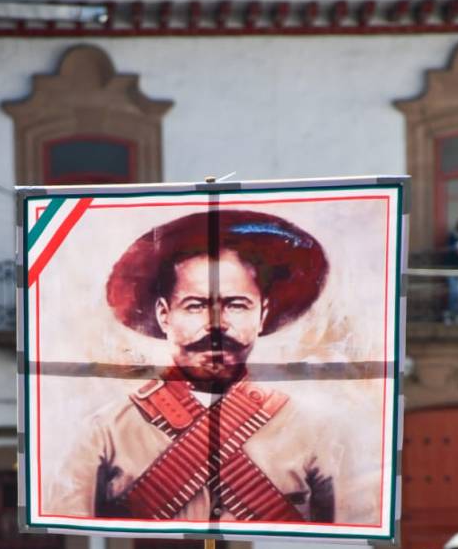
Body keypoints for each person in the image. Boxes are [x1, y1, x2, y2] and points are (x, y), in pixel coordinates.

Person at [46, 209, 350, 525]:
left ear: (262, 314)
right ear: (164, 315)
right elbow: (72, 530)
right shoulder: (104, 434)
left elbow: (342, 530)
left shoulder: (314, 433)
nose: (216, 324)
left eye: (236, 305)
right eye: (195, 306)